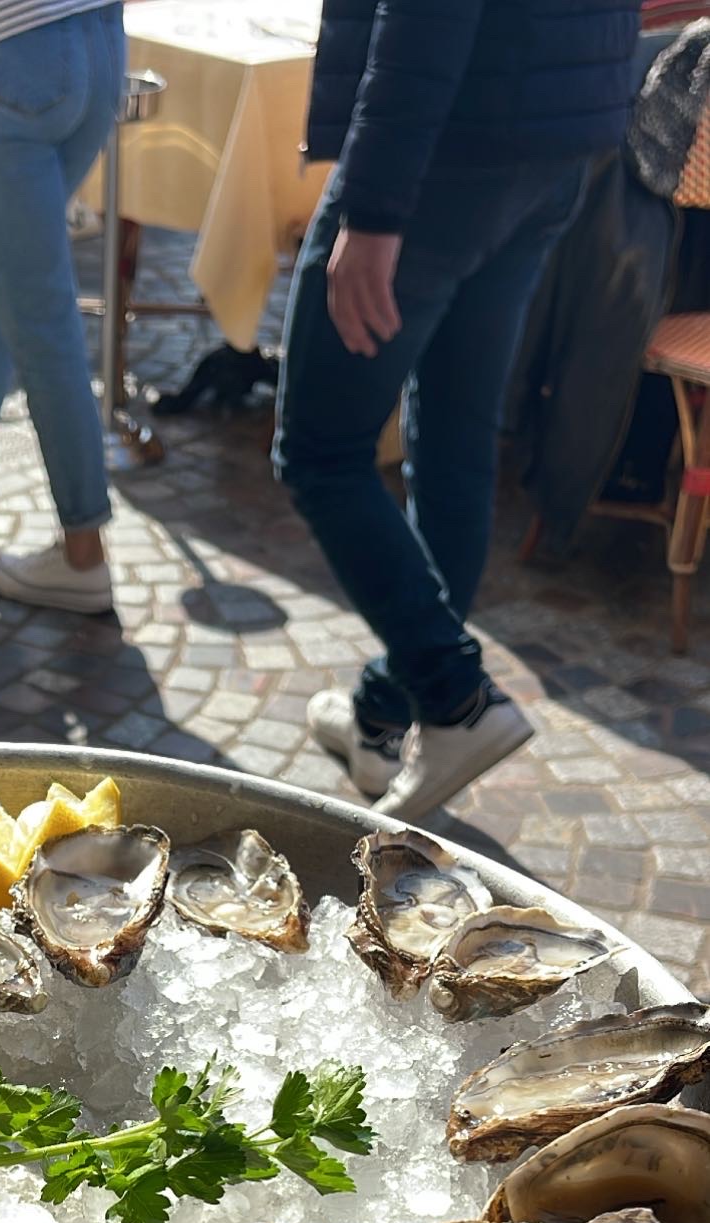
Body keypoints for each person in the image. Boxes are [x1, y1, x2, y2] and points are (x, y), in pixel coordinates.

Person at [276, 0, 642, 824]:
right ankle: (384, 714)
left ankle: (456, 701)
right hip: (556, 137)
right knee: (455, 440)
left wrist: (373, 211)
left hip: (449, 147)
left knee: (322, 453)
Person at [0, 0, 125, 616]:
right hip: (97, 41)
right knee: (0, 257)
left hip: (5, 52)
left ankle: (84, 553)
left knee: (40, 309)